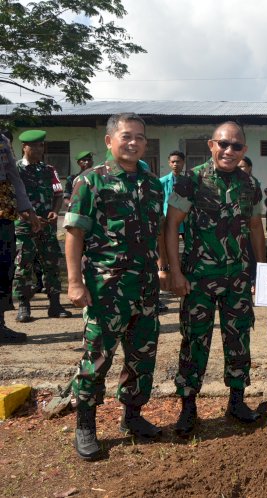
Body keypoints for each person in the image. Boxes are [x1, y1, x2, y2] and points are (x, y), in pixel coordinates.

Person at [64, 113, 167, 460]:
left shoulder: (153, 184)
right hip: (106, 288)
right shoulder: (90, 182)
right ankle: (85, 425)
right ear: (110, 141)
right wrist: (75, 282)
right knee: (97, 358)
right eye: (126, 136)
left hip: (145, 287)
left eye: (140, 137)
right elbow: (75, 234)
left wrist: (163, 268)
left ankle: (133, 417)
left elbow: (159, 232)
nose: (134, 142)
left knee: (142, 357)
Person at [166, 122, 266, 437]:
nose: (229, 151)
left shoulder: (250, 184)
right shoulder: (191, 181)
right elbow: (171, 227)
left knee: (239, 340)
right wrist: (174, 272)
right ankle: (188, 407)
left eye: (236, 146)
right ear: (212, 145)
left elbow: (254, 228)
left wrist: (262, 270)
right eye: (223, 144)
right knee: (195, 341)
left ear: (244, 151)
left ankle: (236, 401)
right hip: (198, 279)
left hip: (237, 278)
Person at [13, 129, 71, 322]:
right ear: (24, 147)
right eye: (36, 145)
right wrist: (28, 216)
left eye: (42, 145)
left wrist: (56, 211)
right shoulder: (15, 170)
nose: (40, 149)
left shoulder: (49, 170)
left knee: (52, 264)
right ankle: (24, 305)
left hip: (47, 226)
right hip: (24, 226)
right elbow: (10, 198)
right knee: (24, 265)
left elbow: (58, 194)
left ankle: (55, 304)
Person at [0, 129, 41, 343]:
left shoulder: (2, 140)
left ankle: (0, 325)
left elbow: (14, 177)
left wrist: (27, 208)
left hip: (3, 212)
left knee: (4, 267)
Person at [157, 151, 186, 313]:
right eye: (173, 161)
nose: (176, 164)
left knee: (188, 248)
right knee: (167, 250)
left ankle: (183, 275)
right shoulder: (162, 182)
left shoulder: (188, 182)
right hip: (168, 222)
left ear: (183, 163)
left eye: (179, 161)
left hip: (185, 222)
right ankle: (168, 275)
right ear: (169, 163)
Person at [237, 156, 264, 286]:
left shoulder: (253, 184)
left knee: (251, 257)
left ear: (249, 168)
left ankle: (254, 280)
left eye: (242, 166)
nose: (239, 169)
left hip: (247, 232)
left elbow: (256, 222)